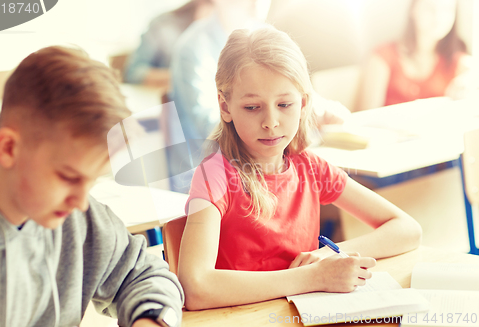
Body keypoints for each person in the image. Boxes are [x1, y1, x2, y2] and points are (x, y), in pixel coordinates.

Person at [177, 26, 422, 310]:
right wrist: (308, 278)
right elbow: (195, 287)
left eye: (284, 104)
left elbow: (408, 229)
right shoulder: (214, 176)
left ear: (303, 103)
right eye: (252, 107)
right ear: (225, 106)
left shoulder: (310, 168)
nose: (271, 121)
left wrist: (330, 257)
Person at [0, 46, 184, 327]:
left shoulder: (77, 217)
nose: (81, 202)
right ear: (9, 148)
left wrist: (153, 319)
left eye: (93, 181)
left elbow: (147, 274)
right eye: (69, 178)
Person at [167, 0, 349, 193]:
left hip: (265, 163)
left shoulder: (262, 34)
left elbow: (293, 90)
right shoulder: (193, 48)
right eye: (252, 107)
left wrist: (320, 110)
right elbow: (209, 125)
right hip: (211, 174)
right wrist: (303, 121)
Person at [356, 0, 475, 111]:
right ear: (413, 9)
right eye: (429, 8)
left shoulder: (458, 62)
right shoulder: (382, 58)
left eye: (447, 9)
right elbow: (364, 120)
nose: (438, 16)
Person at [124, 0, 213, 89]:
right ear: (202, 3)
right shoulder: (164, 26)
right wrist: (183, 76)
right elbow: (133, 74)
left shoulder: (217, 33)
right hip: (162, 99)